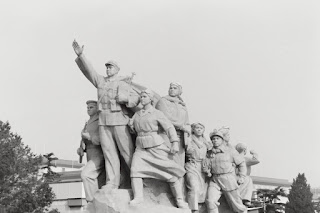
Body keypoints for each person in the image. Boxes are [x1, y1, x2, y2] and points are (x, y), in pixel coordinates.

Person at [72, 40, 140, 190]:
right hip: (104, 122)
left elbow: (135, 100)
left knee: (127, 152)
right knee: (109, 153)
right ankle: (112, 182)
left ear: (117, 69)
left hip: (119, 121)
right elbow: (89, 71)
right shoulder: (101, 82)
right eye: (107, 67)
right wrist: (81, 55)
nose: (108, 70)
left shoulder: (123, 83)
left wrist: (126, 100)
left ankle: (136, 181)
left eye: (111, 67)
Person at [128, 89, 189, 209]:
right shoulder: (137, 114)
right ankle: (139, 197)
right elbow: (134, 130)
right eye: (141, 96)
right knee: (135, 171)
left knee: (169, 173)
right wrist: (131, 126)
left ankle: (180, 200)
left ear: (150, 99)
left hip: (156, 147)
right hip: (140, 147)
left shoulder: (157, 113)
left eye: (145, 96)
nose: (142, 98)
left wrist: (174, 142)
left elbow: (169, 127)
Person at [202, 129, 247, 213]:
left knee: (237, 204)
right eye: (213, 139)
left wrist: (242, 177)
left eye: (217, 139)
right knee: (210, 201)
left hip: (228, 179)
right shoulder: (209, 153)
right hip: (214, 180)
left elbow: (242, 163)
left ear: (222, 140)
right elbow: (206, 165)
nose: (214, 140)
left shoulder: (230, 151)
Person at [155, 82, 191, 167]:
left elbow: (187, 122)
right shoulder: (163, 101)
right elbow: (165, 118)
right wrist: (181, 126)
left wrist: (188, 132)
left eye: (175, 88)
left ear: (179, 91)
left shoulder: (182, 105)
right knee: (167, 161)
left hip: (180, 137)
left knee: (179, 164)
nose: (172, 90)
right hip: (166, 135)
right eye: (171, 88)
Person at [77, 100, 105, 202]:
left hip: (99, 153)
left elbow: (104, 139)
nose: (88, 110)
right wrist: (81, 149)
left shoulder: (100, 121)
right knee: (98, 180)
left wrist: (89, 137)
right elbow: (83, 141)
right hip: (89, 154)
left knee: (86, 175)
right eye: (88, 108)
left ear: (97, 108)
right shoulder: (87, 122)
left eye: (91, 107)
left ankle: (93, 201)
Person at [185, 123, 212, 213]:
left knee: (203, 190)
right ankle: (194, 209)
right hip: (192, 165)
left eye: (201, 128)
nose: (199, 130)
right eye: (197, 128)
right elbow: (187, 150)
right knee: (194, 186)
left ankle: (201, 209)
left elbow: (210, 155)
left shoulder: (206, 142)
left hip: (202, 167)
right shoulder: (189, 139)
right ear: (193, 129)